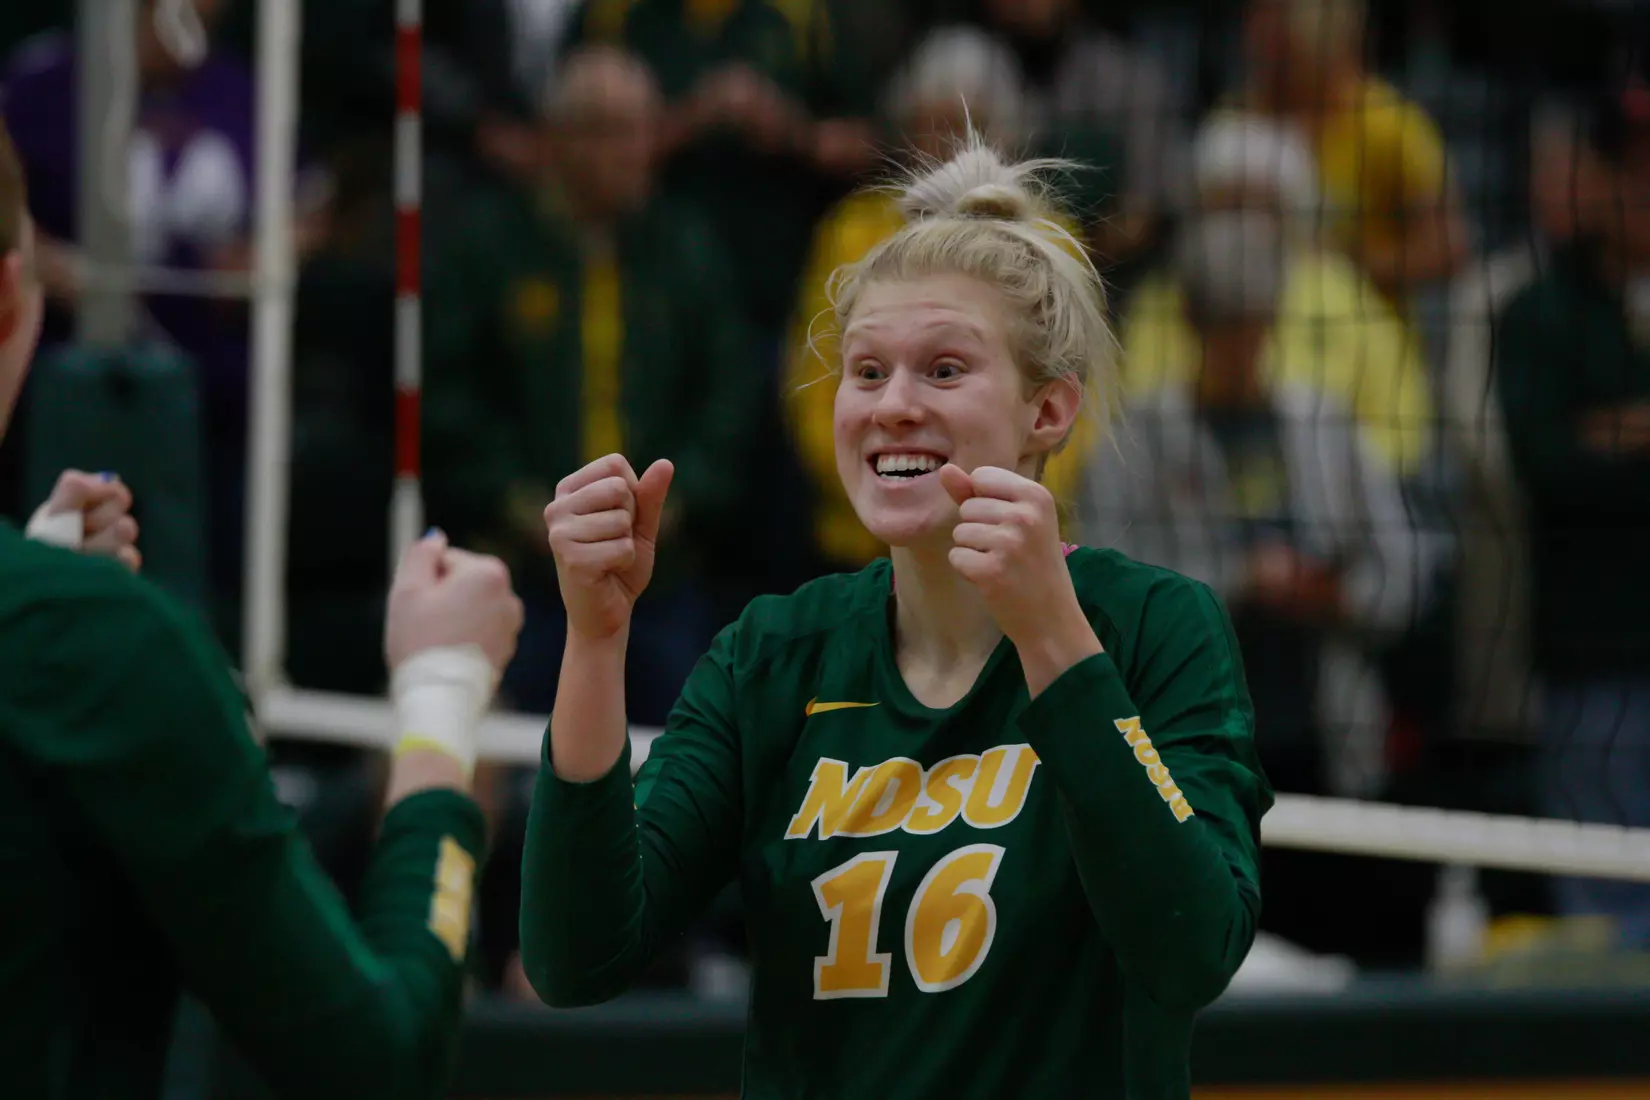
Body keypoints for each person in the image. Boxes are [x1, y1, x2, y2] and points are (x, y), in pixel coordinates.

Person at [520, 137, 1272, 1097]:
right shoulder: (773, 655)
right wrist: (596, 639)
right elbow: (576, 960)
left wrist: (1053, 640)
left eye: (945, 370)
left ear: (1049, 411)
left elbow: (1193, 949)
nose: (893, 407)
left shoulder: (1155, 626)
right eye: (867, 373)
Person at [0, 119, 527, 1098]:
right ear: (11, 300)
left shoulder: (68, 639)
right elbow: (380, 1054)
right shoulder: (101, 648)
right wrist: (444, 693)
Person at [1495, 68, 1650, 948]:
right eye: (1631, 163)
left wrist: (1617, 432)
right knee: (1604, 930)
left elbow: (1580, 453)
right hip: (1590, 664)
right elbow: (1548, 464)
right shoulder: (1540, 312)